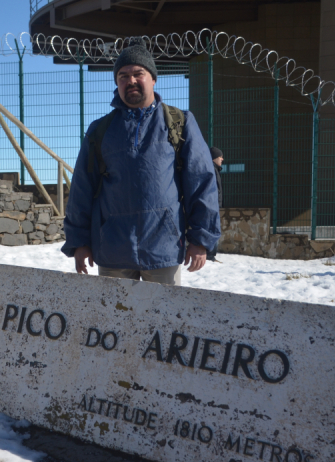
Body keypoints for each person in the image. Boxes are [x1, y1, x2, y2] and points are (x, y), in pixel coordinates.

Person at [61, 44, 221, 285]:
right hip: (112, 251)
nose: (131, 80)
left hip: (163, 252)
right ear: (117, 83)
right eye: (123, 76)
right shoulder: (100, 131)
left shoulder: (179, 123)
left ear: (153, 79)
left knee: (163, 320)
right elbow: (81, 189)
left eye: (138, 74)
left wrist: (201, 239)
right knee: (114, 321)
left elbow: (202, 183)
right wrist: (79, 242)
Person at [207, 147, 224, 262]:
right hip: (212, 206)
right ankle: (210, 255)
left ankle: (211, 255)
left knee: (214, 229)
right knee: (213, 230)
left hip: (214, 206)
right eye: (220, 157)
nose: (222, 159)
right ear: (214, 158)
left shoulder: (215, 169)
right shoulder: (211, 170)